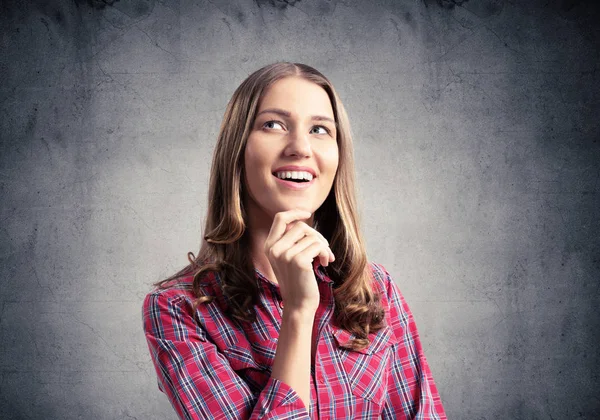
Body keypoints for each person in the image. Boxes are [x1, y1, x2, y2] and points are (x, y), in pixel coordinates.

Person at [142, 62, 446, 419]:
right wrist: (299, 312)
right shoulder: (178, 309)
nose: (300, 147)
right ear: (237, 150)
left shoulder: (376, 289)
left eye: (319, 129)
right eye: (273, 125)